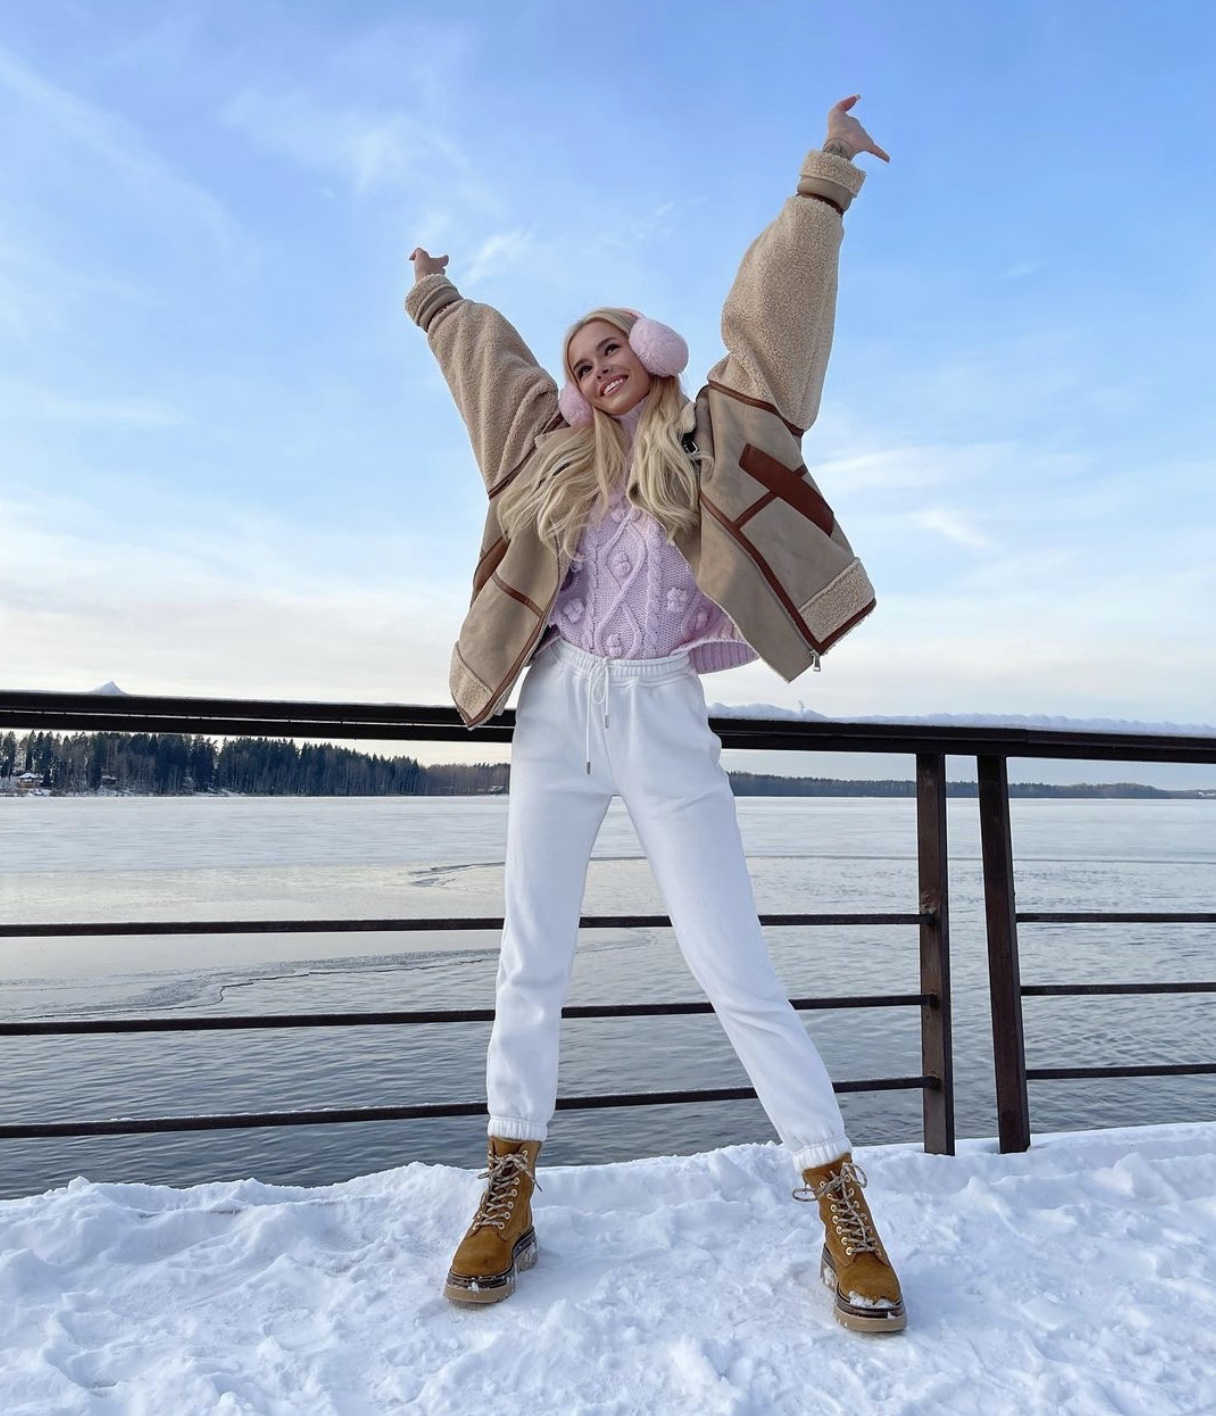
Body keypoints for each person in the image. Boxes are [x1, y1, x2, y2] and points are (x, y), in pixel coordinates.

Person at [406, 96, 903, 1334]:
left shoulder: (716, 427)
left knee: (734, 965)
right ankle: (508, 1186)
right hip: (557, 706)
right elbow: (486, 370)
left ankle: (839, 1200)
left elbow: (774, 323)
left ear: (650, 349)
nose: (592, 370)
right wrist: (435, 296)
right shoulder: (545, 454)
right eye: (579, 363)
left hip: (664, 713)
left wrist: (822, 179)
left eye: (609, 347)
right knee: (531, 958)